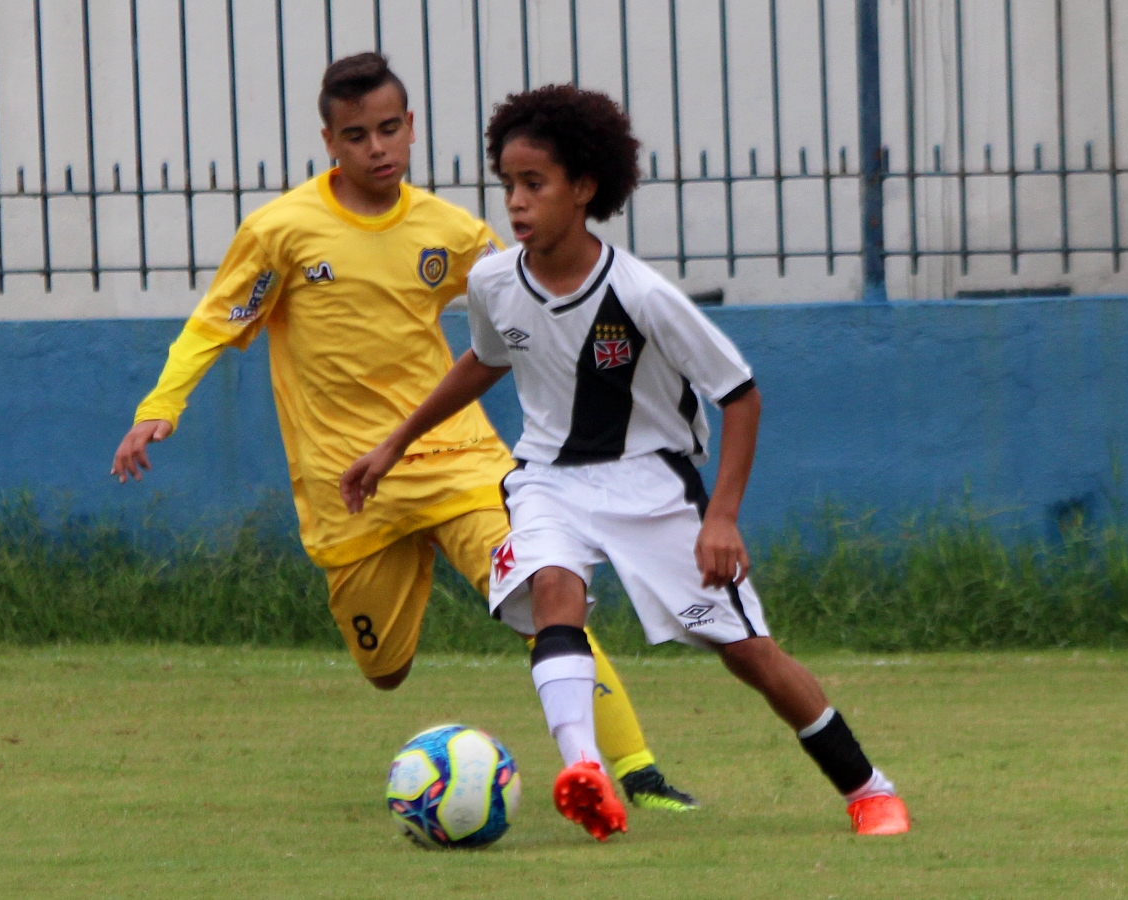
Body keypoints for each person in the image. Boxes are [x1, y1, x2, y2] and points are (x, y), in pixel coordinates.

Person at [110, 53, 694, 810]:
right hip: (349, 486)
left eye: (389, 129)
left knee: (544, 596)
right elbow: (214, 323)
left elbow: (533, 309)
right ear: (330, 141)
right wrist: (160, 407)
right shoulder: (281, 233)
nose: (377, 148)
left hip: (456, 461)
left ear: (411, 127)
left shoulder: (450, 233)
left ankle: (634, 772)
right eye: (356, 136)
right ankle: (410, 558)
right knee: (383, 669)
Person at [341, 84, 911, 842]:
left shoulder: (640, 295)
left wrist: (721, 518)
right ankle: (587, 773)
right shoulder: (493, 282)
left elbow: (740, 396)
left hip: (652, 485)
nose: (516, 202)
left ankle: (869, 789)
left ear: (584, 188)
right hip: (547, 479)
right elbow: (485, 360)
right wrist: (393, 444)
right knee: (554, 591)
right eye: (508, 184)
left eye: (535, 184)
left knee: (747, 652)